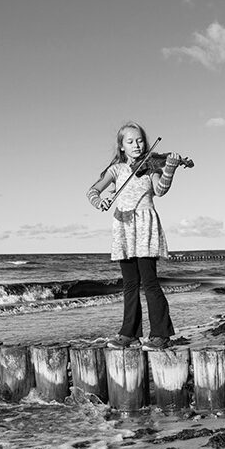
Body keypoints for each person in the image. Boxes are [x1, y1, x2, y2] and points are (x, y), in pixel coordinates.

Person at [86, 121, 183, 350]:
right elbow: (92, 191)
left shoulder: (151, 167)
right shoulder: (116, 170)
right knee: (129, 284)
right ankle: (129, 334)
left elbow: (160, 190)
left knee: (149, 282)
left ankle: (161, 334)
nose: (136, 145)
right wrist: (100, 202)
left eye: (139, 141)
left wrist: (170, 167)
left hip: (145, 226)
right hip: (124, 227)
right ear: (122, 146)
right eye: (130, 142)